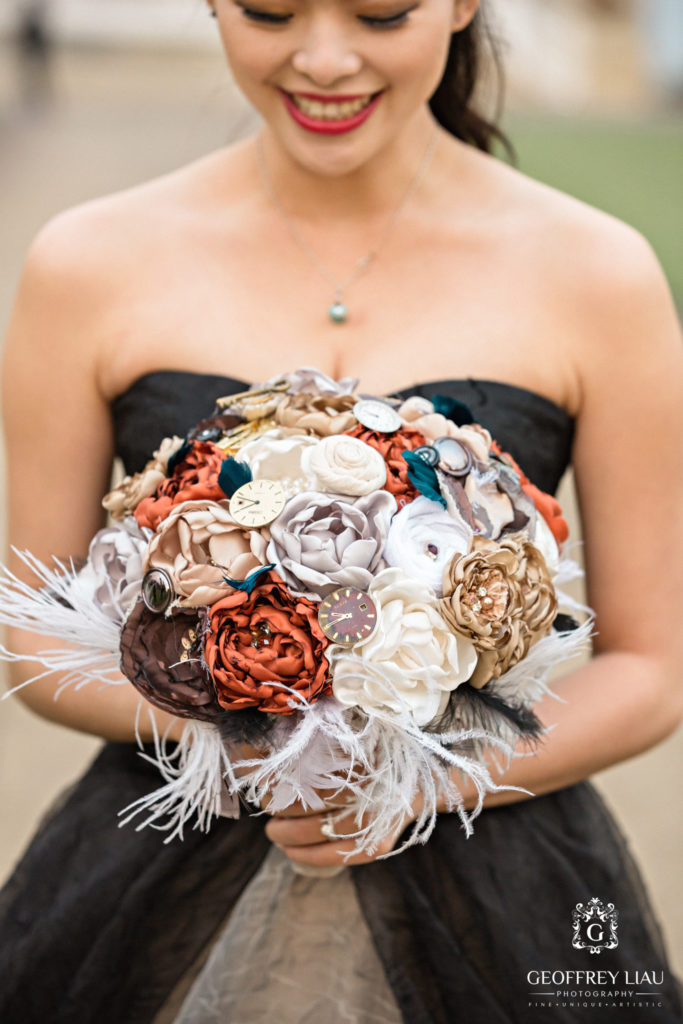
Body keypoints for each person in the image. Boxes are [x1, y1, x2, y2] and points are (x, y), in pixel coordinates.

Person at [1, 0, 681, 1020]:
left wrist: (427, 780)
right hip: (148, 869)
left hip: (497, 873)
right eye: (269, 11)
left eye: (380, 12)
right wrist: (248, 740)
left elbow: (651, 665)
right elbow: (29, 632)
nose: (322, 59)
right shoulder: (87, 263)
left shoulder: (596, 273)